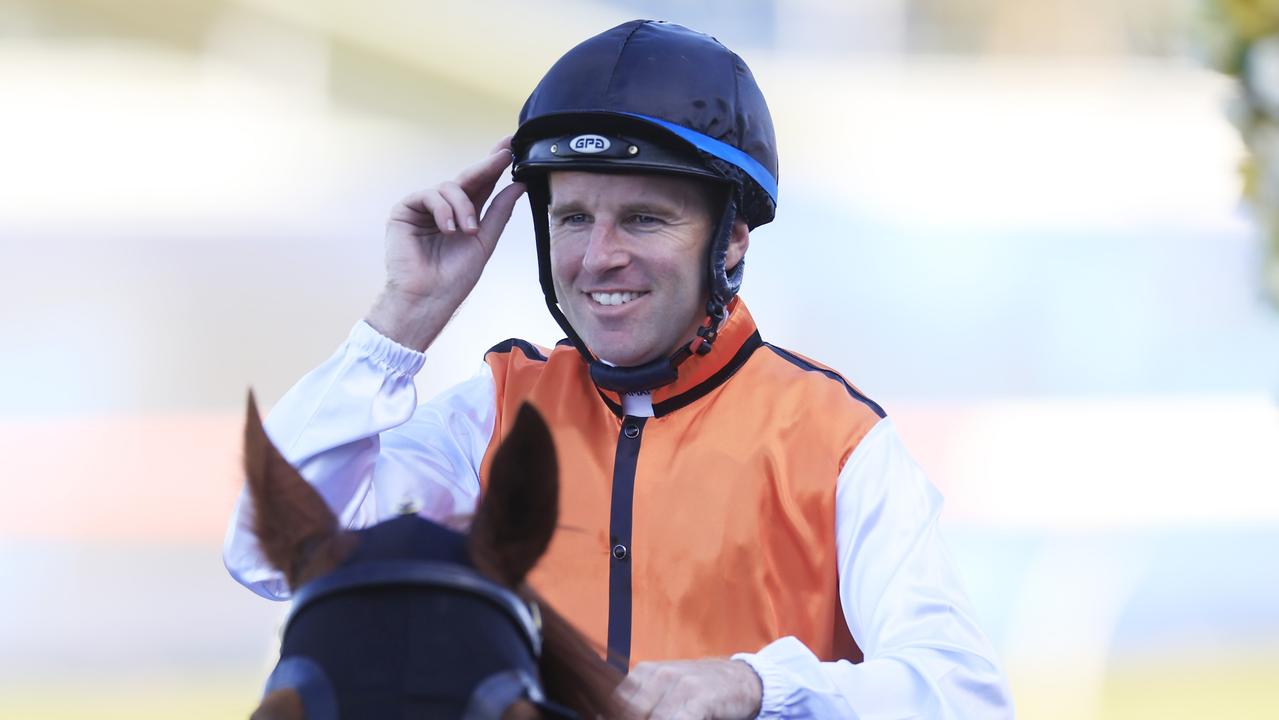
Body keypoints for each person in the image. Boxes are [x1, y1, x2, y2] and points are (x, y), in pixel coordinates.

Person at [225, 19, 1013, 719]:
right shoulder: (490, 415)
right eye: (572, 218)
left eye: (643, 218)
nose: (600, 257)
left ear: (732, 237)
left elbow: (966, 696)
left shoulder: (839, 441)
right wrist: (406, 311)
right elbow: (270, 555)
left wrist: (754, 685)